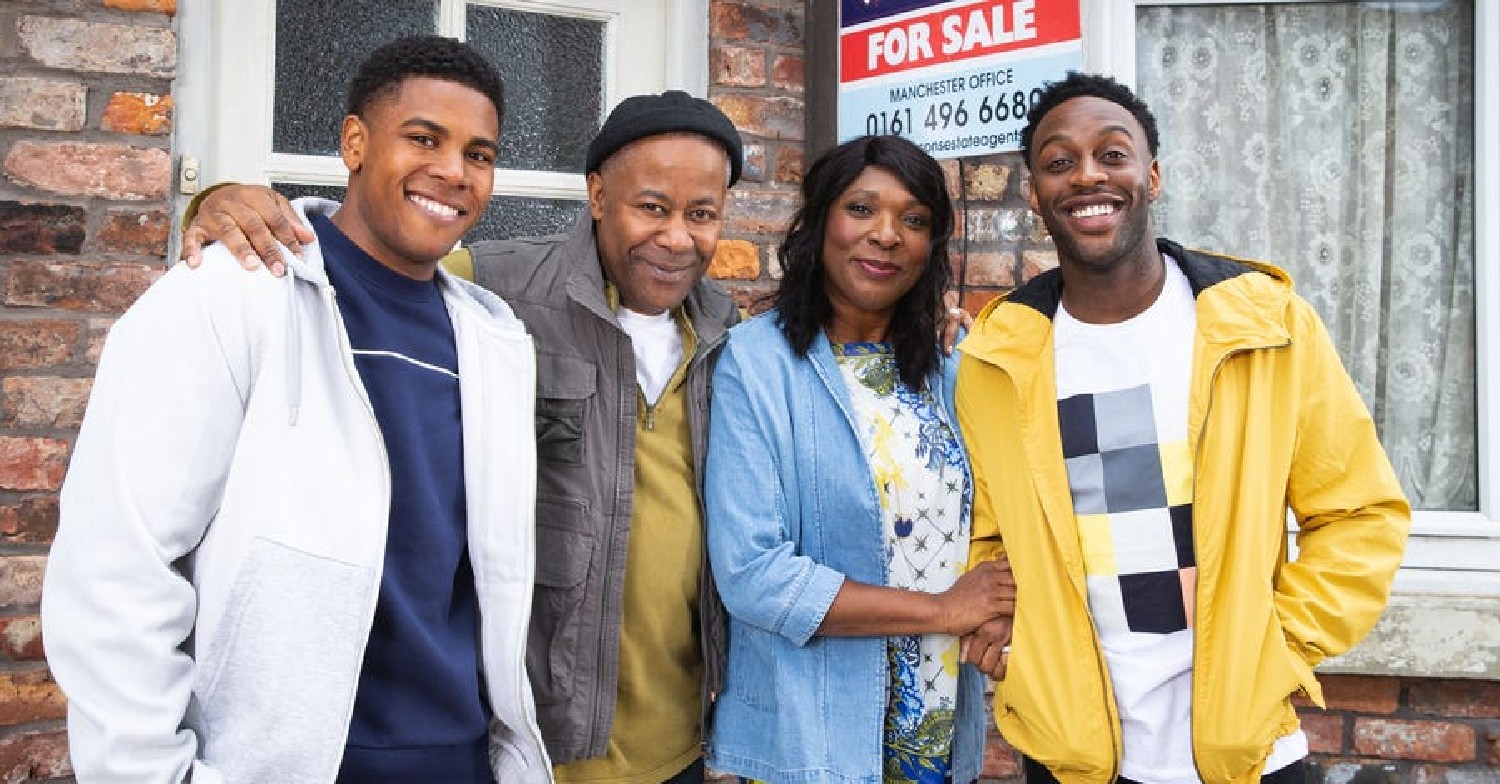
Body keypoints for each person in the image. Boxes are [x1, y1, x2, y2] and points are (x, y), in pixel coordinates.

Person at [179, 91, 744, 784]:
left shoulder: (728, 334)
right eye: (652, 208)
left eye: (702, 214)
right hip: (544, 746)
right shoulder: (495, 288)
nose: (677, 237)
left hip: (680, 746)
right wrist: (220, 203)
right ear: (598, 195)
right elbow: (362, 269)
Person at [41, 35, 552, 783]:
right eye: (423, 138)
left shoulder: (493, 341)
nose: (452, 170)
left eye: (479, 153)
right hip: (282, 765)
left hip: (458, 759)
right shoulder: (236, 291)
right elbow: (117, 561)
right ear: (354, 141)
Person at [954, 72, 1411, 784]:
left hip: (1244, 752)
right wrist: (1000, 629)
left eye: (1113, 153)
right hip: (1070, 754)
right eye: (1058, 162)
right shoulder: (998, 357)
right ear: (1037, 195)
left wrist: (1279, 647)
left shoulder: (1264, 325)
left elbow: (1360, 514)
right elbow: (990, 534)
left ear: (1153, 175)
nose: (1087, 175)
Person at [702, 135, 1014, 784]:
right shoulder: (756, 366)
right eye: (862, 209)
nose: (887, 234)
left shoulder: (948, 375)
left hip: (936, 731)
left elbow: (995, 528)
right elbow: (753, 574)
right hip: (813, 741)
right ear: (819, 225)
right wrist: (944, 611)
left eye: (915, 219)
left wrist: (996, 606)